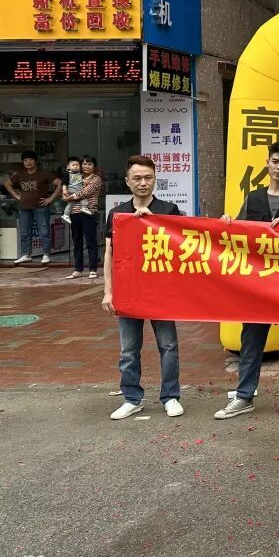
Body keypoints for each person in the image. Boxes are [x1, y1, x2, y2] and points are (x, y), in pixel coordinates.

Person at [215, 141, 279, 420]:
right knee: (251, 341)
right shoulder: (253, 199)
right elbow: (237, 236)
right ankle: (244, 395)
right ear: (267, 163)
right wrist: (227, 224)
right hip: (257, 286)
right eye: (275, 161)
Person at [101, 156, 184, 419]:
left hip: (161, 292)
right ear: (127, 181)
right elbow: (110, 254)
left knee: (168, 346)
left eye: (148, 177)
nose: (143, 183)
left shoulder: (169, 210)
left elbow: (181, 247)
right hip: (128, 291)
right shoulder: (118, 214)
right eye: (137, 178)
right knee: (128, 349)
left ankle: (170, 396)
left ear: (155, 179)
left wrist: (153, 222)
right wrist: (108, 291)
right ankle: (131, 398)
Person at [4, 150, 61, 264]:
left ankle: (46, 254)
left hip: (40, 207)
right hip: (24, 207)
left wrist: (51, 198)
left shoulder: (44, 173)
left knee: (44, 231)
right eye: (25, 160)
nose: (28, 162)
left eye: (30, 159)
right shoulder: (20, 174)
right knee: (24, 232)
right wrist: (16, 195)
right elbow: (7, 183)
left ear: (35, 161)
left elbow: (60, 183)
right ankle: (26, 254)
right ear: (23, 162)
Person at [63, 156, 103, 279]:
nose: (86, 166)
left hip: (89, 212)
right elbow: (66, 189)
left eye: (89, 164)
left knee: (91, 241)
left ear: (94, 166)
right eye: (84, 164)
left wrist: (69, 197)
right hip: (74, 213)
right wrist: (65, 193)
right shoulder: (76, 176)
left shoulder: (96, 179)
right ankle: (78, 269)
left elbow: (84, 193)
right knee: (77, 242)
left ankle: (93, 269)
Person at [60, 157, 82, 225]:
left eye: (77, 165)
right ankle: (66, 214)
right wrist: (64, 190)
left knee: (82, 200)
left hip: (78, 192)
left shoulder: (80, 174)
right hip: (71, 191)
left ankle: (84, 207)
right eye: (73, 165)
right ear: (68, 167)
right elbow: (64, 183)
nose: (75, 166)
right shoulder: (67, 174)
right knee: (71, 203)